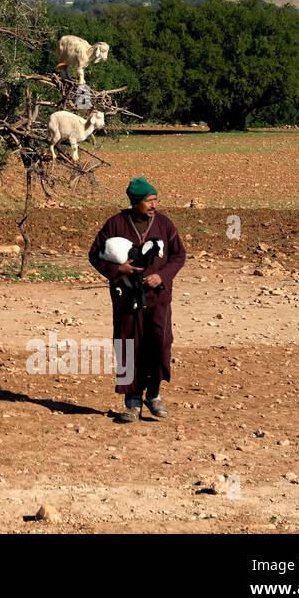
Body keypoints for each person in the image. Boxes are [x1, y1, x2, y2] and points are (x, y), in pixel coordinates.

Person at [88, 176, 187, 423]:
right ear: (135, 202)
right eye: (148, 201)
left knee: (159, 343)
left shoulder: (164, 224)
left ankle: (153, 395)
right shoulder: (115, 224)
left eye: (155, 200)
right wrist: (117, 270)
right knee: (127, 346)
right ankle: (132, 403)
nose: (154, 205)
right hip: (126, 299)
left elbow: (179, 255)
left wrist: (161, 276)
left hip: (158, 298)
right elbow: (94, 254)